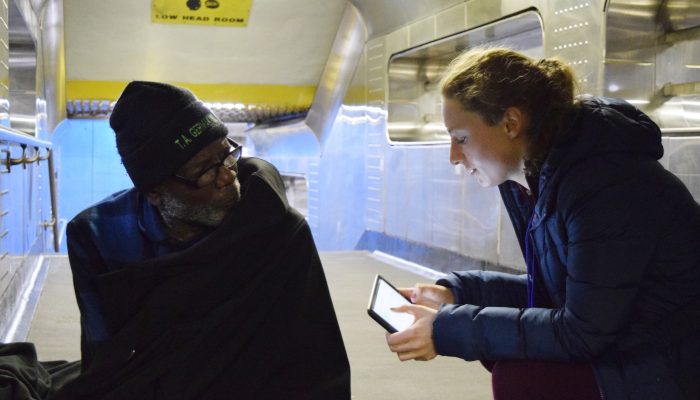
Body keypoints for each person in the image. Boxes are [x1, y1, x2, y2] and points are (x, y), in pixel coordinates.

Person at [385, 47, 700, 400]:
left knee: (523, 377)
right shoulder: (533, 180)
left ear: (511, 123)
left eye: (461, 139)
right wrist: (457, 293)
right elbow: (551, 292)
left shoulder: (603, 184)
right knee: (502, 350)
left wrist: (450, 329)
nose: (454, 158)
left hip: (675, 362)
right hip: (632, 339)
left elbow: (583, 330)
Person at [56, 81, 350, 399]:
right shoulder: (99, 237)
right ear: (154, 191)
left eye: (227, 155)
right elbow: (108, 364)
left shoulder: (275, 228)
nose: (227, 177)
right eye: (205, 171)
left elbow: (317, 365)